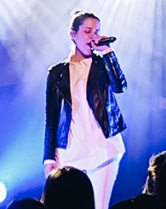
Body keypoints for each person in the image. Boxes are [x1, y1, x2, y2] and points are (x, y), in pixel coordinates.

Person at [44, 11, 127, 209]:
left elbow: (120, 86)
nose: (92, 36)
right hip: (71, 149)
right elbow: (52, 116)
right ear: (73, 34)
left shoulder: (102, 64)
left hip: (104, 147)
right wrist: (48, 156)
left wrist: (107, 51)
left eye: (96, 31)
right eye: (87, 31)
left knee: (100, 206)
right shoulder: (57, 72)